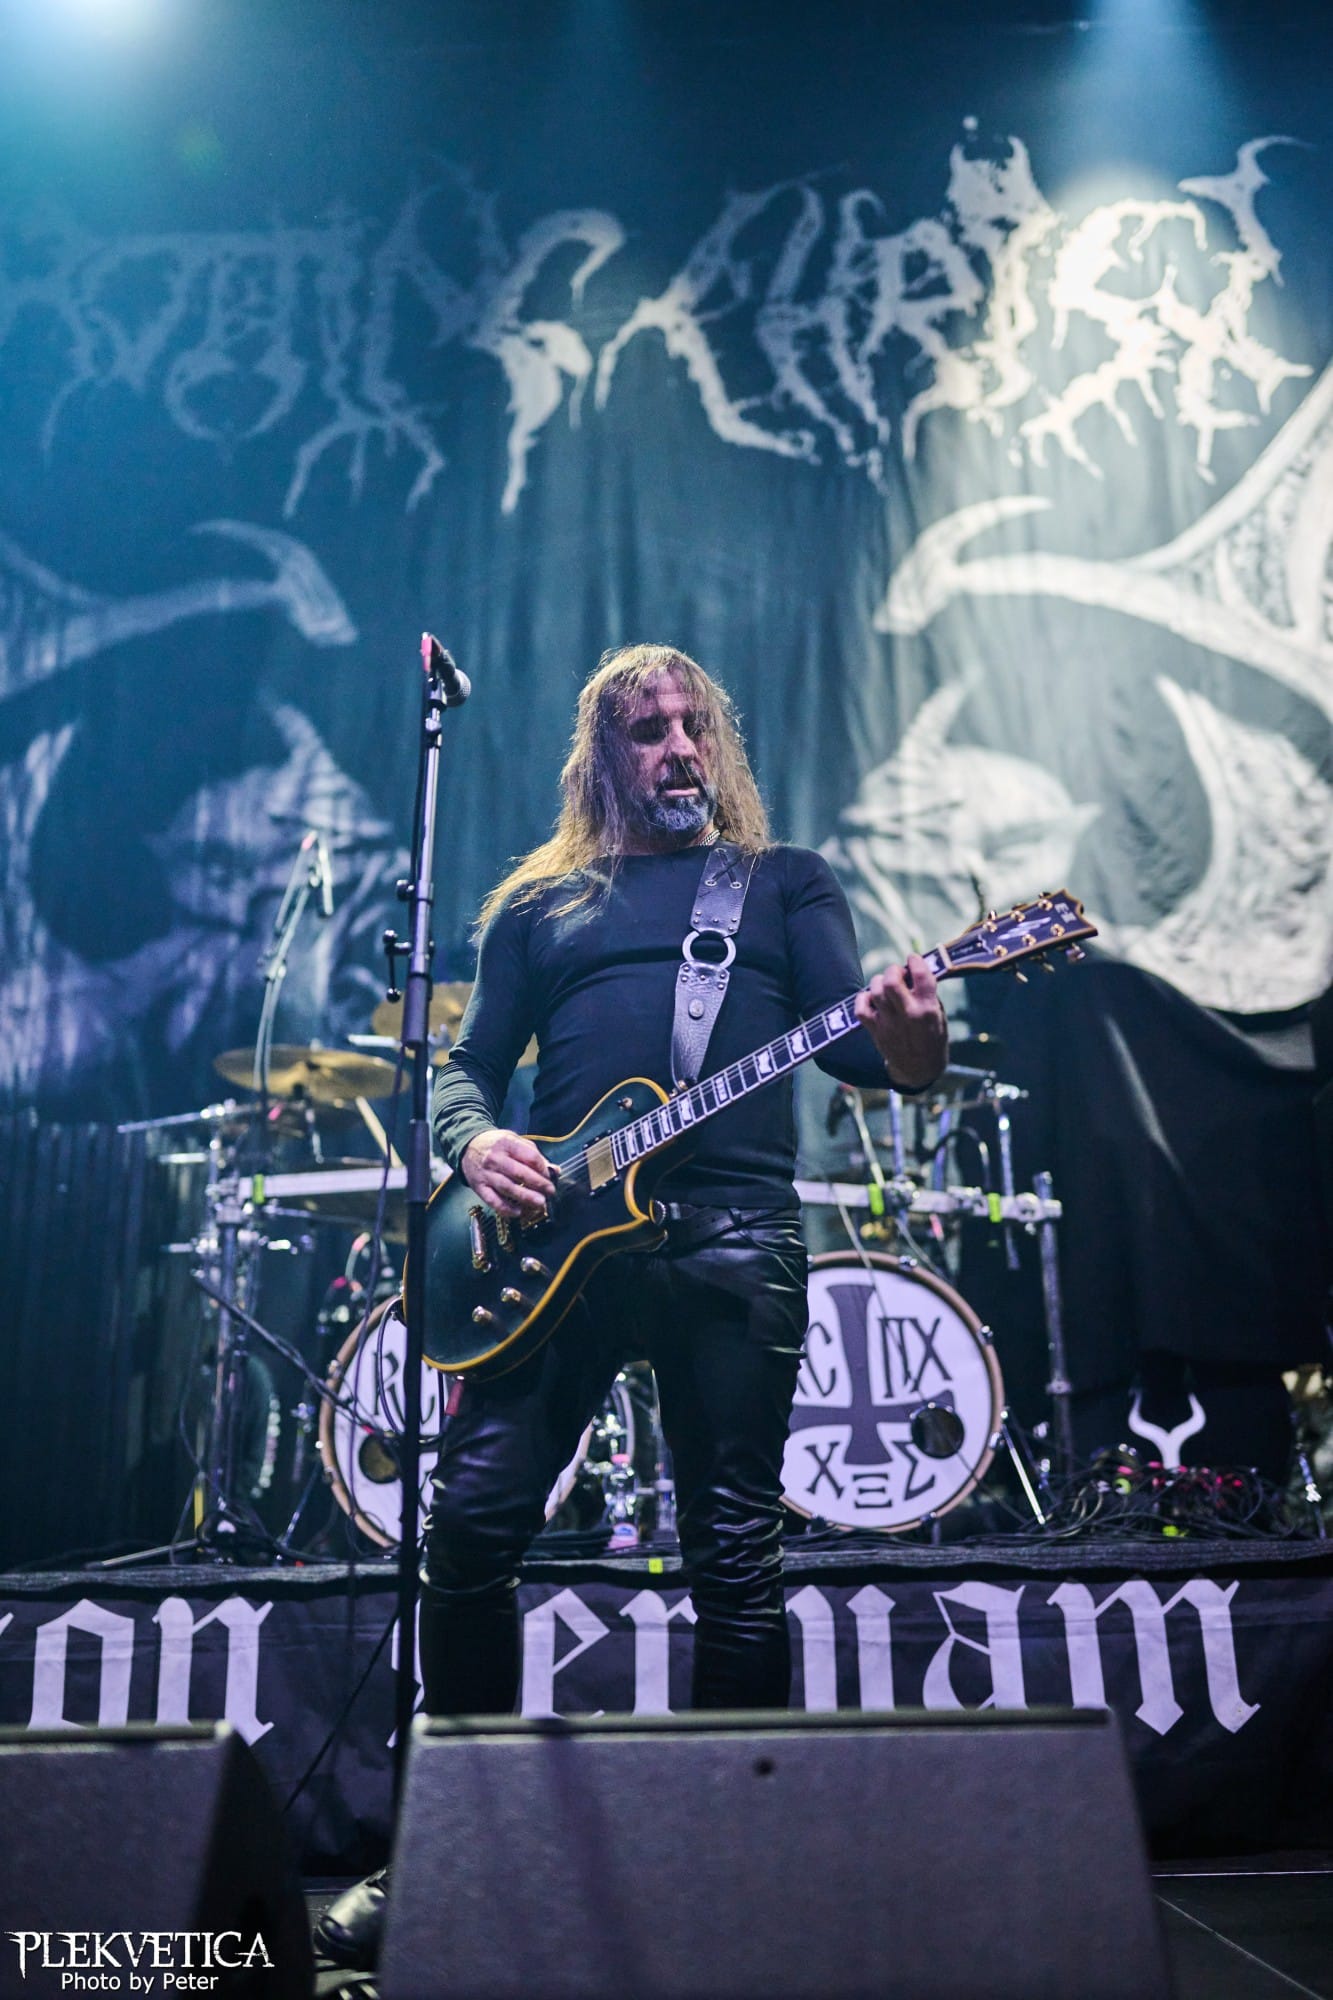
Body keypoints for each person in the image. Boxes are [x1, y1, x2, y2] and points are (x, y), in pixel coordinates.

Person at [316, 644, 947, 1967]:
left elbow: (864, 1055)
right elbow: (463, 1070)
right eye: (648, 731)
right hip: (554, 1253)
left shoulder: (783, 883)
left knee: (736, 1553)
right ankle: (451, 1839)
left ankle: (731, 1860)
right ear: (603, 759)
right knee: (469, 1528)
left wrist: (913, 1034)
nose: (678, 749)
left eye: (692, 726)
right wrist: (476, 1142)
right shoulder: (540, 905)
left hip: (733, 1240)